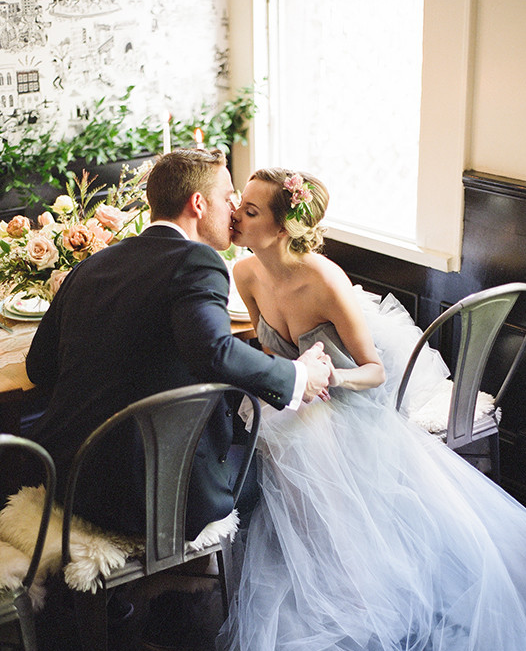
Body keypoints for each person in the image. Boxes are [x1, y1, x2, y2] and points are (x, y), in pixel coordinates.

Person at [195, 167, 526, 651]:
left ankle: (354, 626)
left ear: (284, 224)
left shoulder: (324, 280)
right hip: (285, 406)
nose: (235, 215)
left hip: (345, 410)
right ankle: (298, 626)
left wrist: (325, 382)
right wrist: (286, 381)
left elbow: (372, 371)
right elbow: (255, 351)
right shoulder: (244, 272)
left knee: (300, 452)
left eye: (249, 209)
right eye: (238, 205)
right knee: (258, 445)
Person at [25, 151, 331, 541]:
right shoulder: (197, 260)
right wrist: (297, 377)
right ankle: (204, 588)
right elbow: (214, 351)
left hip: (68, 478)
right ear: (198, 204)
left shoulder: (94, 263)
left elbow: (39, 368)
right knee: (274, 472)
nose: (234, 210)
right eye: (227, 197)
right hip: (146, 496)